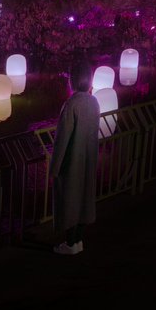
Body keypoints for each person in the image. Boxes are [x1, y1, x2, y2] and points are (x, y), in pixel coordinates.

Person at [50, 64, 100, 255]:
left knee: (69, 201)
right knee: (84, 200)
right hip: (88, 159)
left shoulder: (71, 105)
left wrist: (54, 168)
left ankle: (70, 244)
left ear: (72, 80)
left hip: (72, 162)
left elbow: (62, 139)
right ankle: (78, 240)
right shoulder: (94, 102)